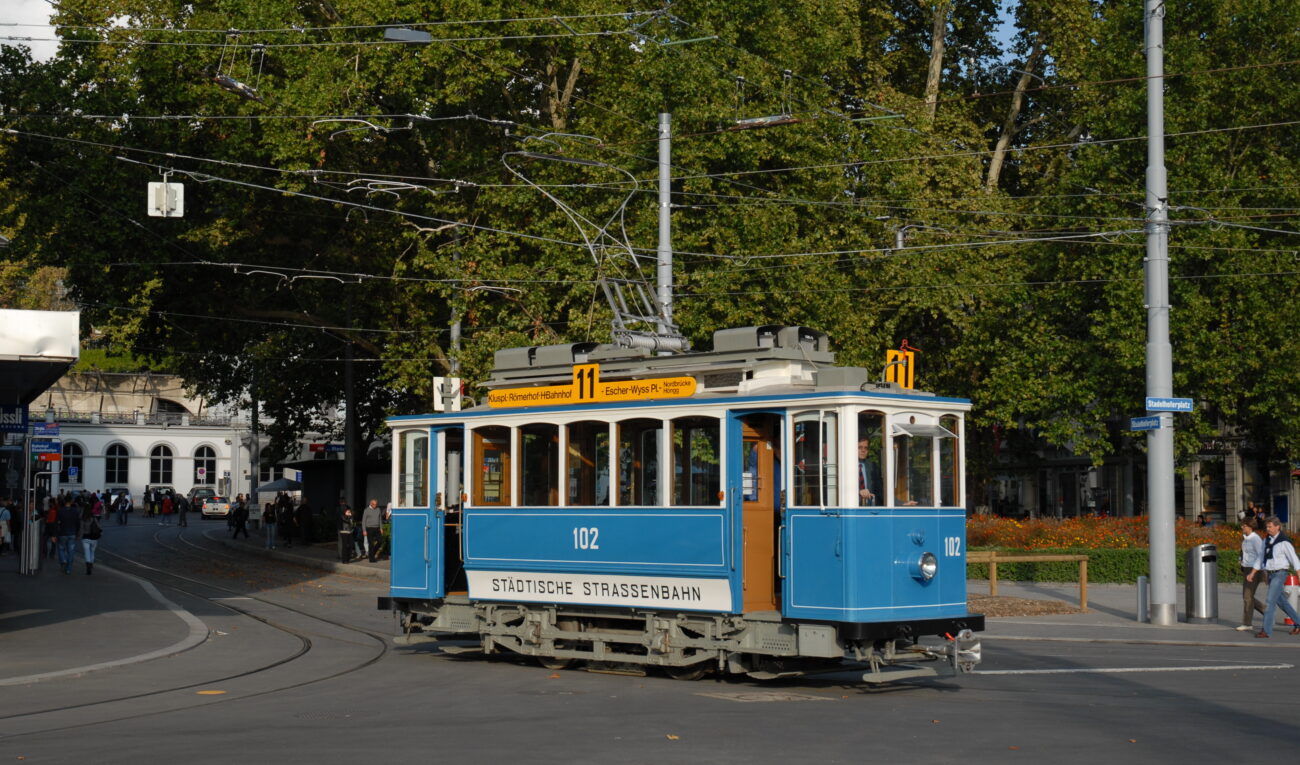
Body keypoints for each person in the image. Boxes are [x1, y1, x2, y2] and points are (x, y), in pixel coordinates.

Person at [1248, 517, 1300, 638]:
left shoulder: (1284, 542)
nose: (1268, 529)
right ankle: (1298, 622)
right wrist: (1252, 573)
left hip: (1280, 573)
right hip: (1270, 574)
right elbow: (1260, 558)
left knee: (1270, 601)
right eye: (1267, 527)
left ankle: (1266, 630)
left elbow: (1295, 560)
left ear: (1278, 527)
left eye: (1270, 526)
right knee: (1281, 602)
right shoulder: (1266, 541)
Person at [1237, 518, 1268, 631]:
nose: (1242, 527)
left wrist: (1263, 572)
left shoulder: (1255, 539)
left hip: (1254, 570)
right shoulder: (1245, 539)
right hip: (1246, 569)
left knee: (1247, 596)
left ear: (1250, 526)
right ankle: (1266, 611)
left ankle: (1247, 623)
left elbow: (1261, 556)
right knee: (1248, 596)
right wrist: (1240, 559)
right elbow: (1244, 553)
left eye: (1244, 525)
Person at [55, 498, 81, 575]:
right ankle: (69, 568)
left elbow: (57, 523)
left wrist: (55, 533)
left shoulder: (60, 511)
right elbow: (78, 523)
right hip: (72, 533)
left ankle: (63, 560)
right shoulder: (75, 511)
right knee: (71, 551)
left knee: (61, 548)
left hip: (62, 533)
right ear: (71, 502)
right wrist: (77, 532)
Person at [856, 438, 881, 507]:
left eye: (866, 448)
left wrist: (900, 503)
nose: (863, 450)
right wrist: (858, 491)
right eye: (860, 447)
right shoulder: (845, 466)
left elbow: (881, 490)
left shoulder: (872, 466)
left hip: (869, 510)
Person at [80, 501, 103, 575]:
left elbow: (81, 529)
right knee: (92, 551)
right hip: (94, 537)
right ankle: (91, 563)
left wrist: (78, 536)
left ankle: (88, 565)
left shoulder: (83, 518)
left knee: (87, 552)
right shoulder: (93, 518)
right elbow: (99, 527)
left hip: (85, 537)